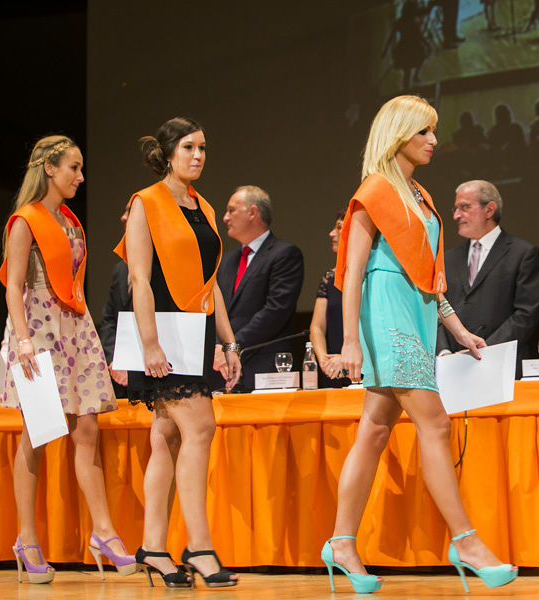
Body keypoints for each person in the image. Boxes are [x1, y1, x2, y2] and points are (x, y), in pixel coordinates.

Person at [324, 95, 517, 594]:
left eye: (434, 131)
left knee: (374, 429)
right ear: (399, 134)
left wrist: (457, 329)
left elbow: (428, 276)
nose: (434, 140)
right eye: (424, 131)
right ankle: (466, 541)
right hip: (386, 314)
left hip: (417, 311)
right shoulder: (375, 190)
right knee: (435, 422)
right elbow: (352, 272)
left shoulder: (419, 193)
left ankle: (341, 542)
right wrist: (350, 342)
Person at [0, 135, 135, 584]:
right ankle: (26, 537)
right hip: (36, 329)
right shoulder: (25, 221)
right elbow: (13, 285)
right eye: (73, 168)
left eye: (80, 168)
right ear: (50, 169)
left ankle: (104, 532)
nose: (80, 176)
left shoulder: (71, 221)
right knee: (37, 436)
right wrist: (21, 340)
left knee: (87, 428)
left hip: (73, 326)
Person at [116, 118, 241, 588]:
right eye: (189, 147)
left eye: (203, 148)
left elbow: (213, 286)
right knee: (200, 426)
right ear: (167, 153)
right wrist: (150, 343)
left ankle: (153, 547)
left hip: (197, 331)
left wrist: (227, 342)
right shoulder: (146, 202)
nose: (198, 155)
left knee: (166, 436)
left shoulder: (204, 206)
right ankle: (201, 547)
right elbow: (139, 279)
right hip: (163, 333)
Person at [436, 180, 539, 378]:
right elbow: (436, 309)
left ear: (489, 210)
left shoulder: (522, 253)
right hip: (452, 368)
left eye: (465, 207)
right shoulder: (447, 259)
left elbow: (526, 314)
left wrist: (483, 350)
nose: (456, 215)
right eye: (456, 208)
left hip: (503, 367)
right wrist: (444, 352)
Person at [215, 185, 303, 391]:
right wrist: (218, 349)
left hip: (265, 366)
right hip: (223, 367)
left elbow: (275, 311)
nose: (225, 218)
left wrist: (231, 346)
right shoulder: (226, 261)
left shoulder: (285, 254)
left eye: (231, 210)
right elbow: (215, 309)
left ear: (252, 213)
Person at [309, 210, 350, 388]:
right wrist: (324, 360)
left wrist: (348, 359)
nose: (331, 233)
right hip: (333, 370)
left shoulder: (373, 276)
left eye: (339, 228)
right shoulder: (329, 277)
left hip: (363, 368)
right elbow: (317, 326)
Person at [99, 205, 132, 399]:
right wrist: (116, 360)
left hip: (154, 373)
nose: (122, 217)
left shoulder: (164, 266)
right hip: (119, 375)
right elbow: (110, 320)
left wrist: (134, 365)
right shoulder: (121, 269)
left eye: (128, 211)